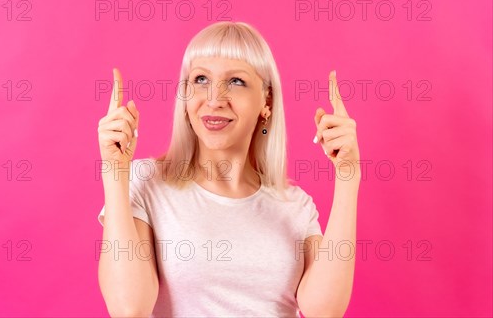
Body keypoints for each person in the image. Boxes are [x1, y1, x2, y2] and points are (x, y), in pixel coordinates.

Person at [96, 21, 361, 317]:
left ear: (266, 100)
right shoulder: (147, 184)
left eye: (236, 81)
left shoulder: (294, 205)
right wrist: (115, 172)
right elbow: (128, 307)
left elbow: (326, 311)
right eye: (200, 80)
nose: (214, 99)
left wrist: (348, 176)